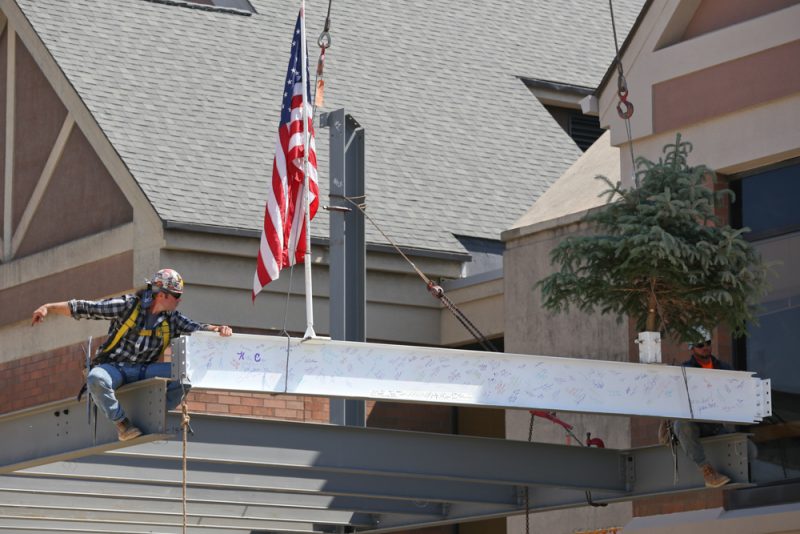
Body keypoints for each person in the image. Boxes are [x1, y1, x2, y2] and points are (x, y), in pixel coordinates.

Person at [31, 268, 233, 441]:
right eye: (176, 296)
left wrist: (218, 330)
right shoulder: (128, 306)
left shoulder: (172, 319)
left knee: (185, 373)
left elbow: (196, 330)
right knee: (96, 378)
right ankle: (122, 424)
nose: (179, 300)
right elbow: (86, 308)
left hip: (144, 370)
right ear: (161, 295)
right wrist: (48, 307)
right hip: (114, 368)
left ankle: (155, 413)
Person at [672, 328, 732, 488]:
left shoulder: (724, 368)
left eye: (708, 343)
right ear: (692, 348)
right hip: (696, 423)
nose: (705, 347)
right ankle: (706, 470)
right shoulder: (684, 371)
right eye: (700, 344)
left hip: (716, 424)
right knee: (681, 424)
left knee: (751, 451)